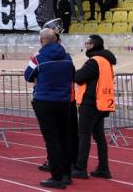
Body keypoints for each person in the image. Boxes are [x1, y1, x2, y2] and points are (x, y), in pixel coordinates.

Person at [25, 28, 75, 188]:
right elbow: (72, 75)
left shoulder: (38, 58)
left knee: (51, 140)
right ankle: (67, 174)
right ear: (56, 39)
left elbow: (27, 75)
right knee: (64, 138)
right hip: (64, 101)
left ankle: (56, 176)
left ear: (41, 40)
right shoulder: (68, 57)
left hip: (44, 100)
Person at [73, 35, 116, 180]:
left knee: (84, 135)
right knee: (99, 137)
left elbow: (78, 77)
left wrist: (75, 72)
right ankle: (104, 168)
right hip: (102, 103)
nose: (85, 46)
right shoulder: (107, 61)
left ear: (92, 45)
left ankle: (80, 168)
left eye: (87, 43)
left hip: (91, 103)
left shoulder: (94, 61)